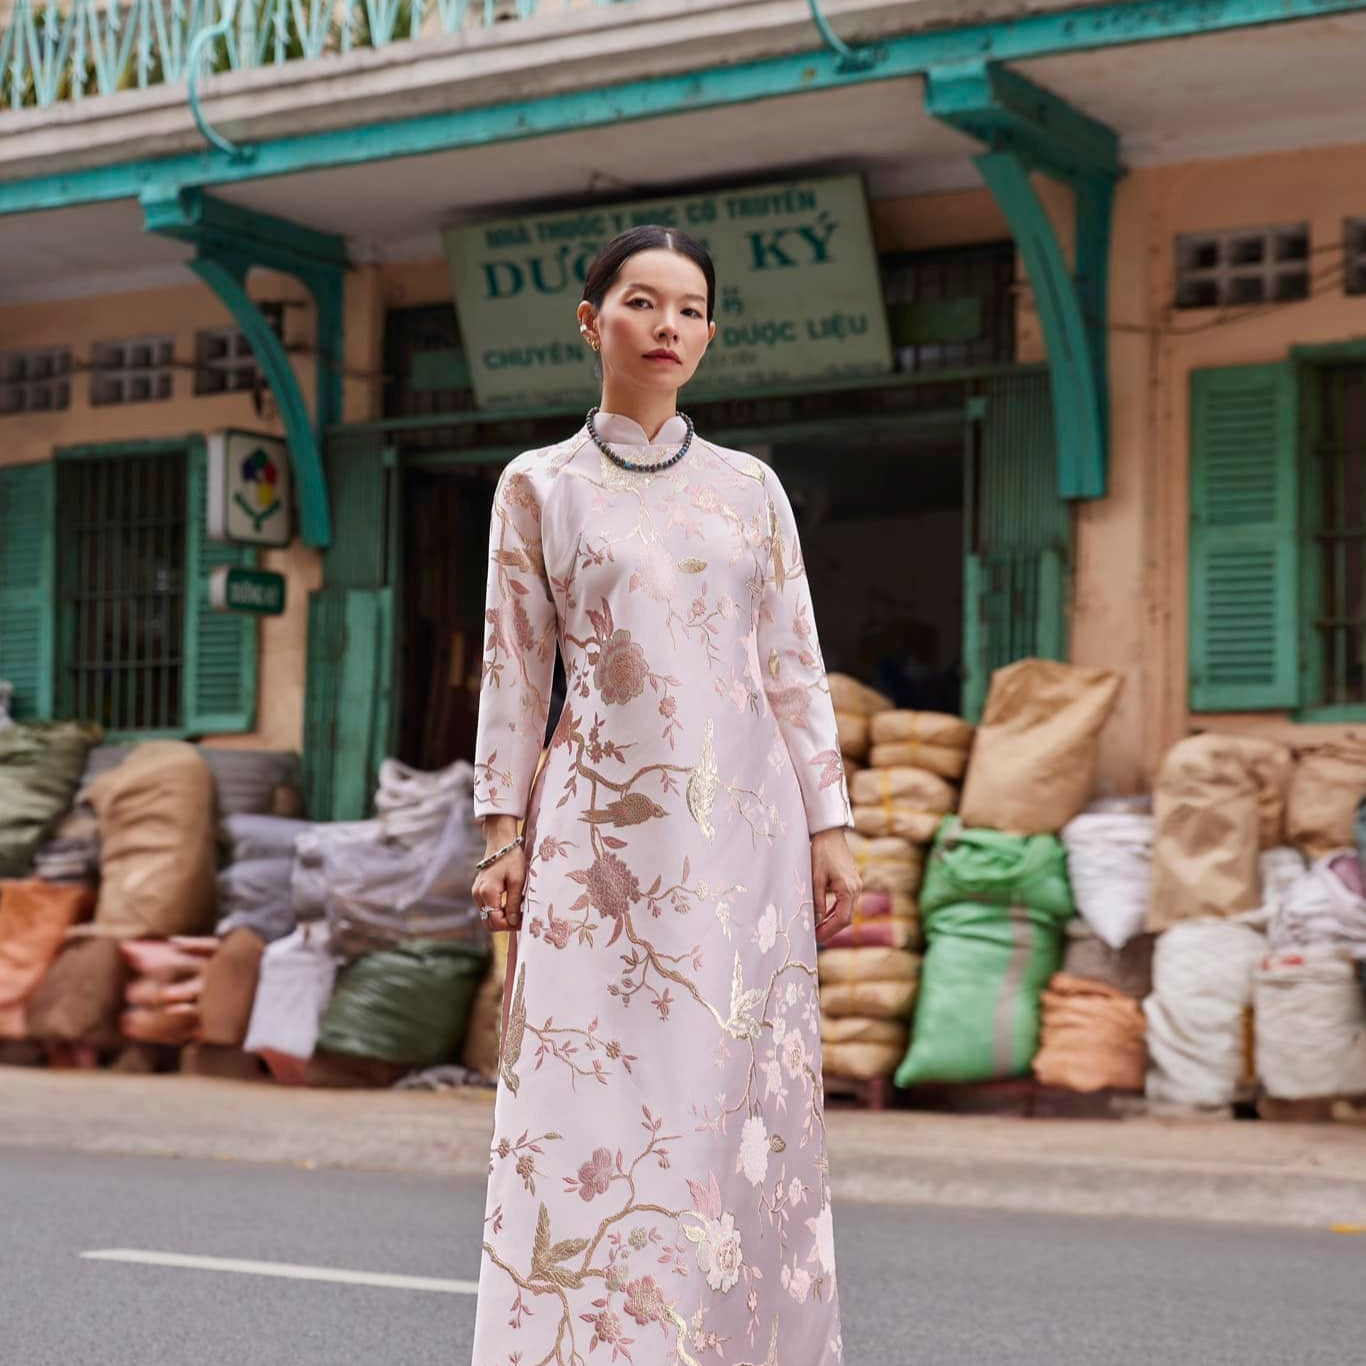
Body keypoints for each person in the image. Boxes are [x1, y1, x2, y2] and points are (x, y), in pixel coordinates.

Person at [469, 224, 861, 1366]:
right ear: (593, 322)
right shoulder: (538, 486)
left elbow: (793, 663)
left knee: (735, 1110)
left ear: (710, 333)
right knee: (584, 1105)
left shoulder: (751, 489)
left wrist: (830, 825)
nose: (669, 327)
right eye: (644, 304)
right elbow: (514, 664)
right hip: (597, 843)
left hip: (745, 837)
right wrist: (503, 831)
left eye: (690, 310)